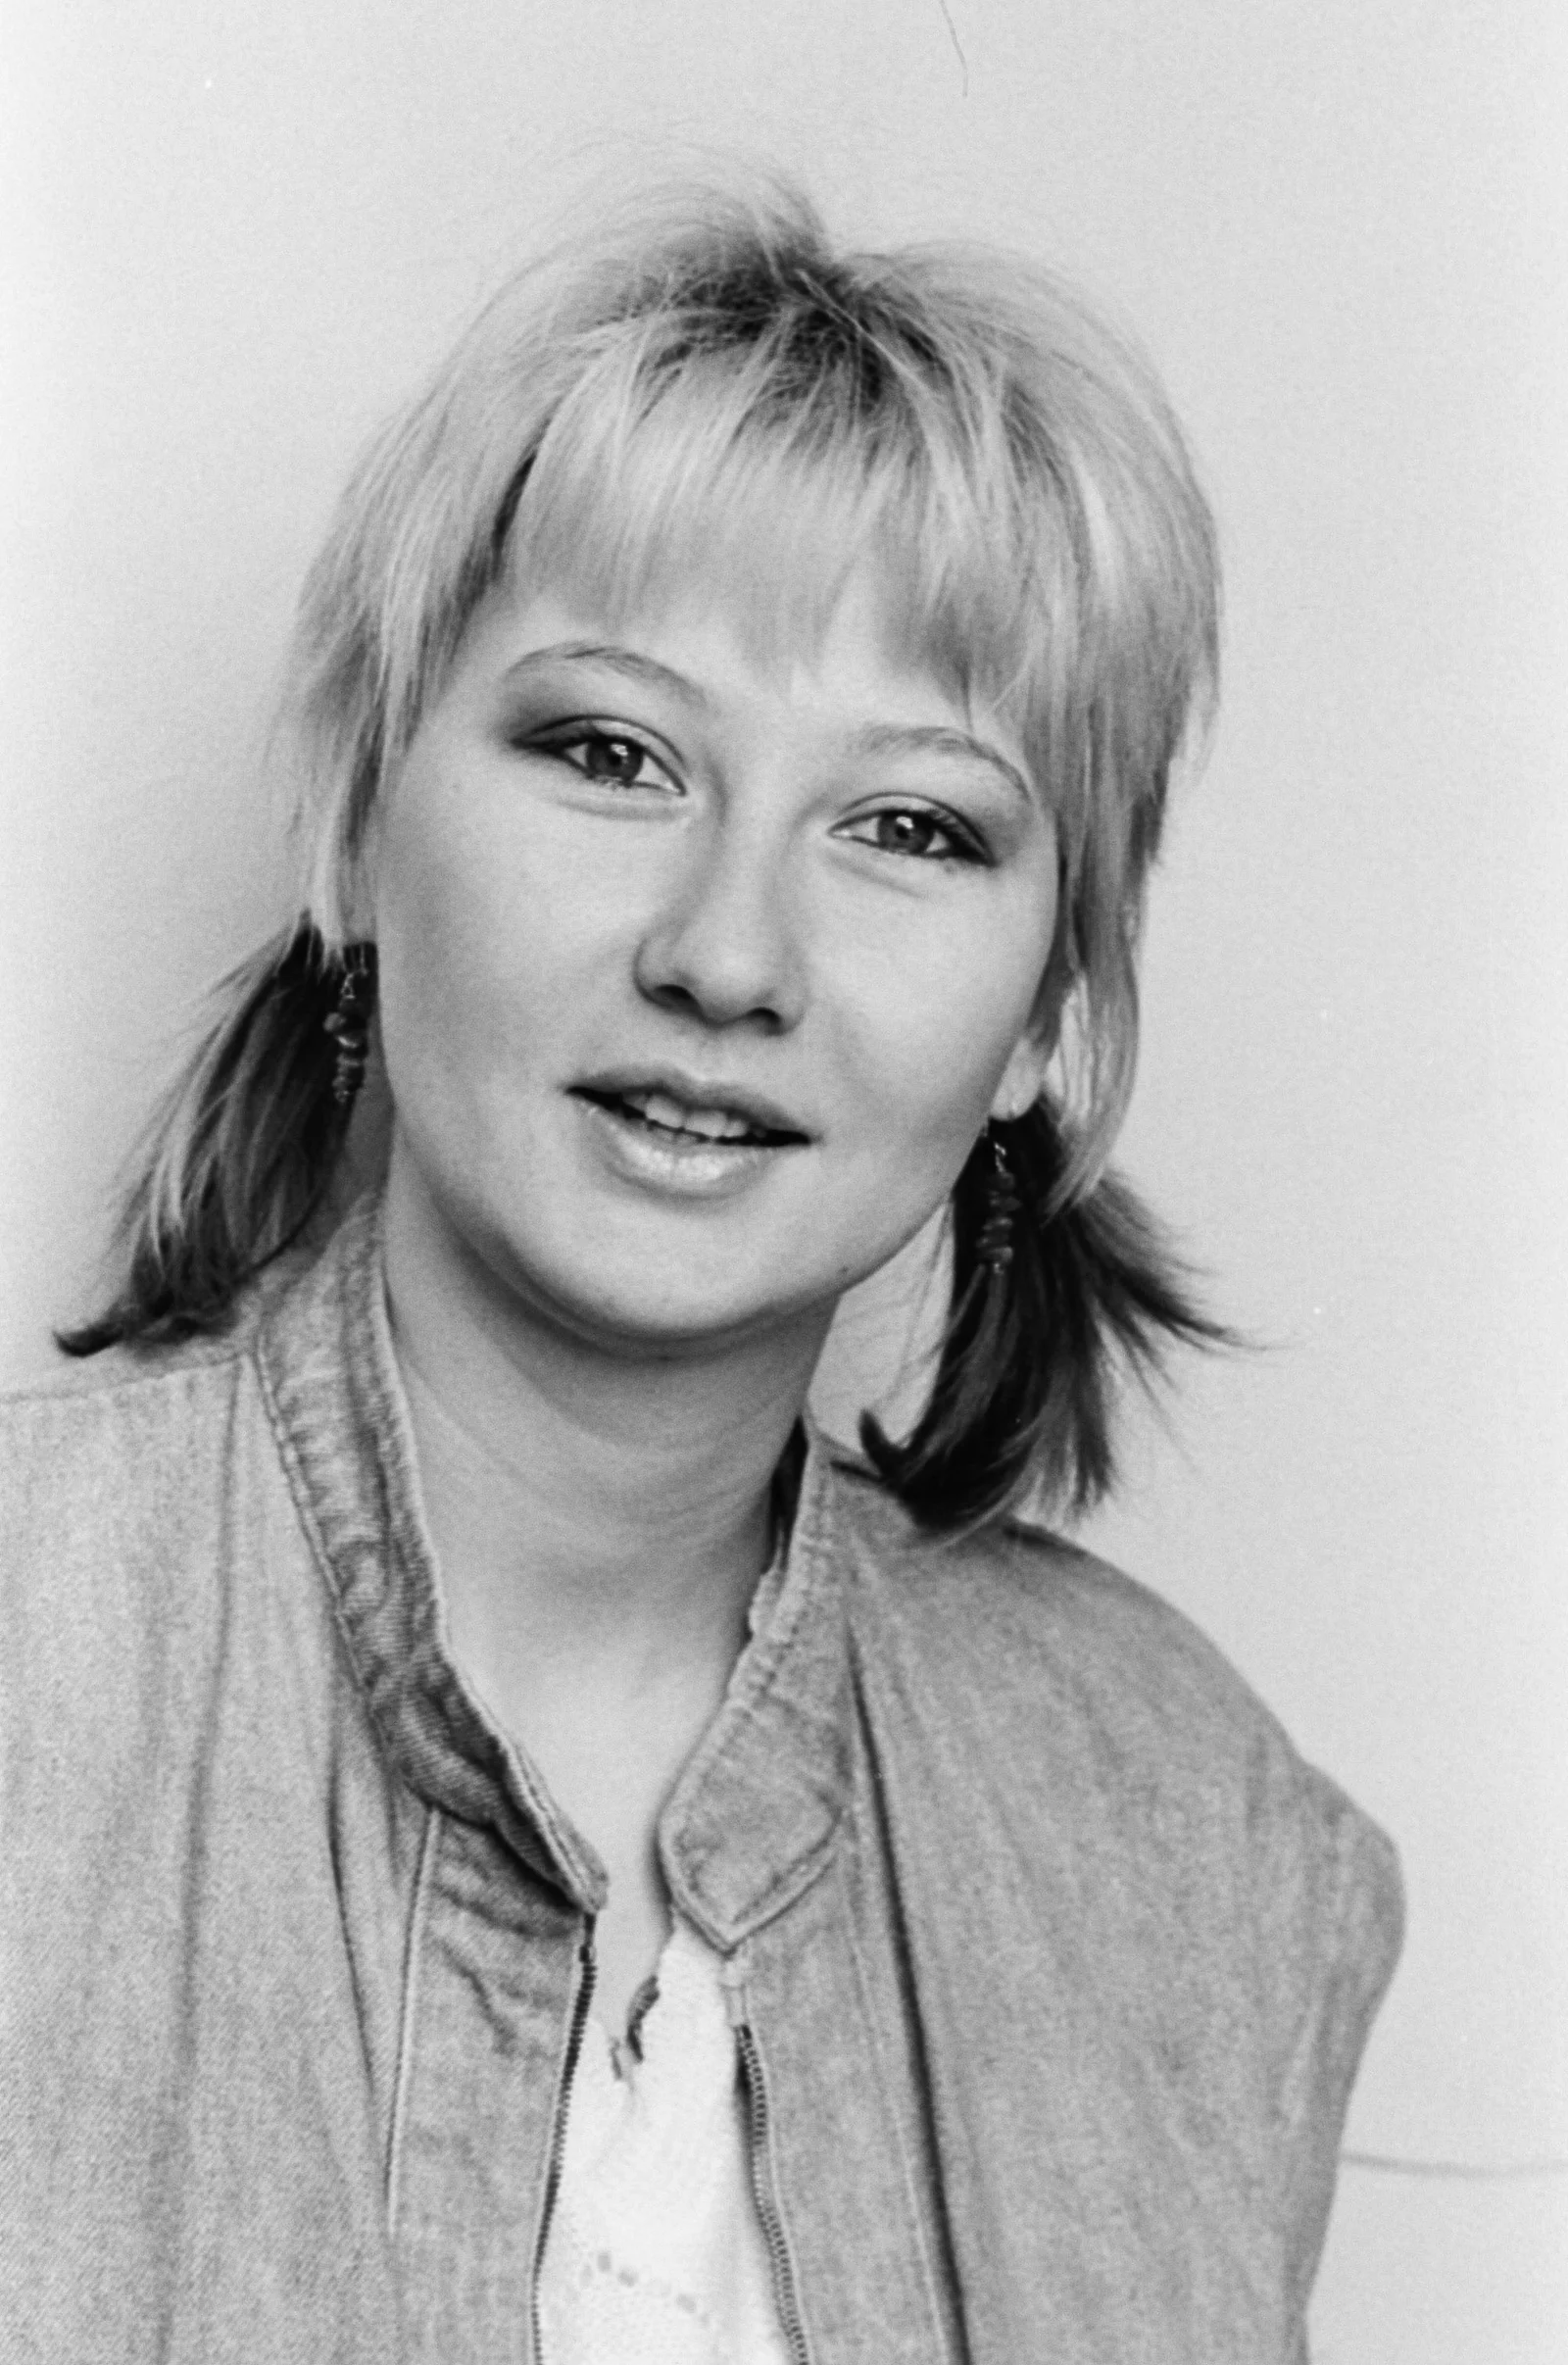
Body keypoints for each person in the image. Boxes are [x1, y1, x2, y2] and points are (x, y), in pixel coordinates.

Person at [0, 174, 1401, 2363]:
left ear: (1049, 1015)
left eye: (910, 826)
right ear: (356, 826)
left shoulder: (1203, 1842)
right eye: (609, 752)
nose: (729, 954)